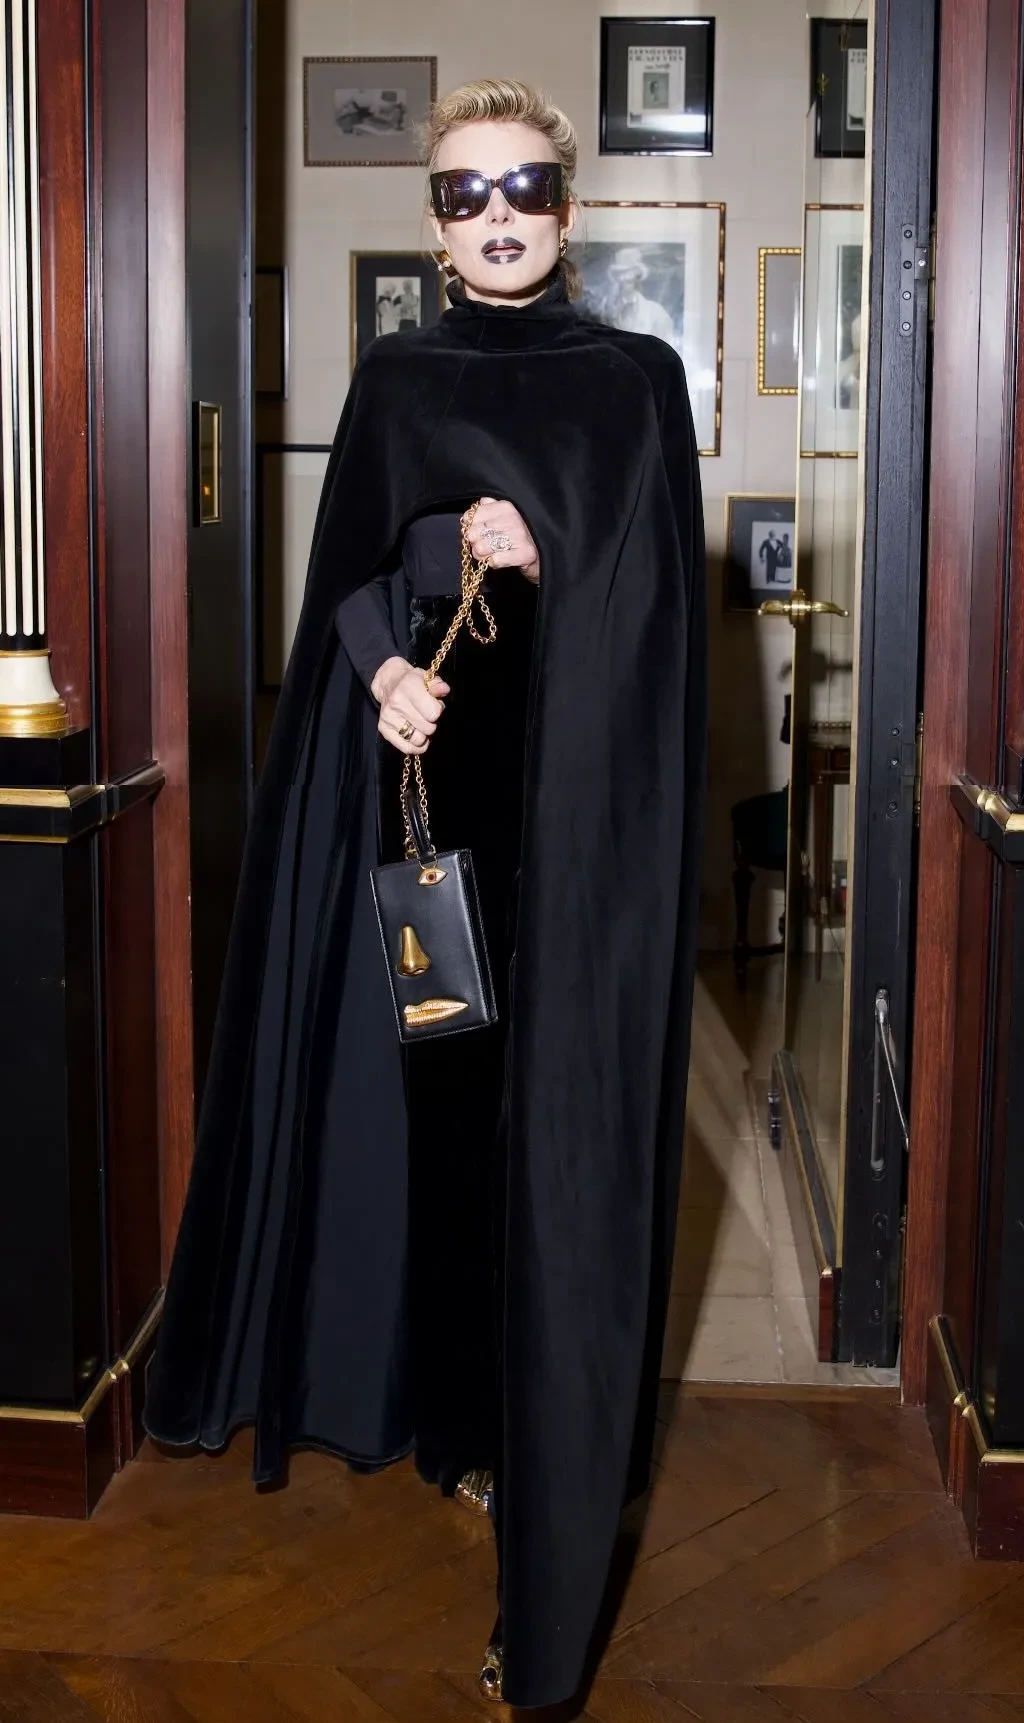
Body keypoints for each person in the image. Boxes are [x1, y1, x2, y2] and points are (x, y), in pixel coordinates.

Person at [142, 77, 706, 1712]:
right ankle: (459, 1424)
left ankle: (550, 1473)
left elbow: (654, 621)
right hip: (429, 827)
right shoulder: (398, 379)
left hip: (578, 847)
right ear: (433, 225)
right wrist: (392, 662)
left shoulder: (633, 381)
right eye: (465, 194)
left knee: (556, 1157)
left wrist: (546, 556)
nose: (497, 215)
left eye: (524, 186)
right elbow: (348, 586)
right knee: (451, 1125)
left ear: (568, 206)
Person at [603, 244, 676, 341]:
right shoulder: (606, 311)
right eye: (620, 273)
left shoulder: (656, 313)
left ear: (638, 275)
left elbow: (667, 344)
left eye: (629, 272)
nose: (624, 277)